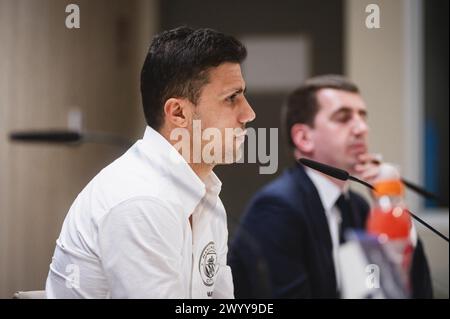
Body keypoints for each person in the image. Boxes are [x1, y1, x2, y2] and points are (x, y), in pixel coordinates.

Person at [45, 26, 255, 298]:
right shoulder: (141, 200)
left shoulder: (207, 196)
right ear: (178, 113)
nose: (248, 113)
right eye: (231, 98)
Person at [229, 75, 433, 298]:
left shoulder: (358, 207)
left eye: (363, 117)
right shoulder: (277, 208)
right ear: (304, 137)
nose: (361, 128)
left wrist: (392, 201)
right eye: (343, 118)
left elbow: (399, 291)